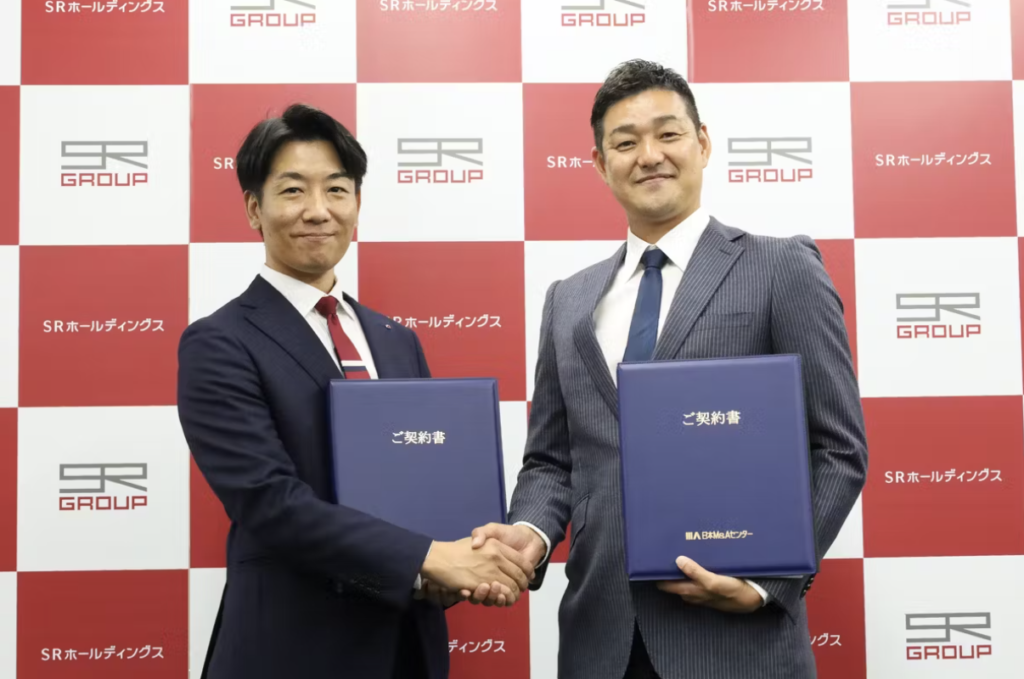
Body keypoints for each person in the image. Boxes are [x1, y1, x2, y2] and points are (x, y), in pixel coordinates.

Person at [467, 60, 868, 678]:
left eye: (668, 134)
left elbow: (838, 447)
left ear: (702, 143)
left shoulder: (781, 267)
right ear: (600, 164)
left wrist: (769, 582)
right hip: (599, 641)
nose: (649, 155)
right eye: (625, 142)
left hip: (736, 643)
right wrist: (531, 532)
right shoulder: (567, 299)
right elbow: (552, 460)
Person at [176, 103, 533, 679]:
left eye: (337, 190)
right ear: (254, 209)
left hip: (407, 648)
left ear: (357, 205)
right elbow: (269, 502)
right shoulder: (219, 342)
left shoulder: (396, 340)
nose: (318, 210)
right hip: (292, 650)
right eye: (293, 190)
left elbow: (425, 482)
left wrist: (457, 561)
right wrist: (430, 557)